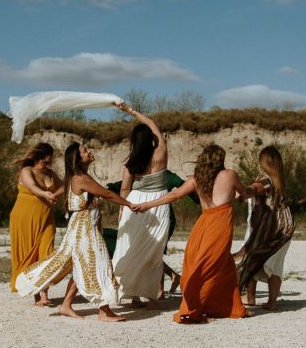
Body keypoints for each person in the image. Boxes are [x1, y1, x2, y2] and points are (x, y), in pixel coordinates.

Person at [15, 142, 133, 322]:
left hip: (83, 227)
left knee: (82, 265)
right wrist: (129, 204)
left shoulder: (78, 177)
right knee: (98, 263)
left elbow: (76, 191)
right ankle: (104, 312)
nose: (89, 152)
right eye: (85, 151)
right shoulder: (80, 178)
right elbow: (107, 194)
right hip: (84, 229)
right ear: (78, 158)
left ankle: (66, 305)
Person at [134, 144, 252, 323]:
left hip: (203, 224)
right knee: (209, 265)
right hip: (220, 225)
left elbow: (174, 196)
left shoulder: (197, 179)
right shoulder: (230, 175)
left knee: (220, 264)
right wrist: (248, 192)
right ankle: (197, 307)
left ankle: (232, 307)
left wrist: (147, 205)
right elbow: (243, 194)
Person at [110, 102, 171, 309]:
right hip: (157, 204)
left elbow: (124, 189)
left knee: (131, 249)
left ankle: (133, 296)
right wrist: (131, 111)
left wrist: (122, 209)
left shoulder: (131, 164)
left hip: (134, 204)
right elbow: (153, 125)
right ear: (151, 139)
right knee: (153, 252)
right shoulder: (161, 152)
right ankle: (151, 296)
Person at [107, 170, 197, 299]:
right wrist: (107, 189)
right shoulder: (139, 173)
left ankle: (159, 291)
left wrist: (200, 198)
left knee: (155, 252)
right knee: (144, 251)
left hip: (161, 217)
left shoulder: (165, 175)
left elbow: (183, 185)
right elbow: (122, 185)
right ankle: (170, 278)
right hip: (142, 215)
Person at [235, 146, 295, 311]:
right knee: (275, 265)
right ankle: (271, 302)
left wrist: (244, 192)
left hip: (270, 228)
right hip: (285, 228)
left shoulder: (265, 179)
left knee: (251, 257)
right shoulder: (279, 181)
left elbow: (256, 188)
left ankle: (250, 297)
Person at [9, 142, 63, 306]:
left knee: (47, 254)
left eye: (50, 162)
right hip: (24, 218)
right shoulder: (27, 171)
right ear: (36, 158)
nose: (47, 165)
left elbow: (65, 186)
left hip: (46, 218)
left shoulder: (50, 173)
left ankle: (44, 294)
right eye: (45, 162)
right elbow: (32, 187)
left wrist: (54, 194)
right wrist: (46, 194)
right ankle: (36, 295)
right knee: (30, 255)